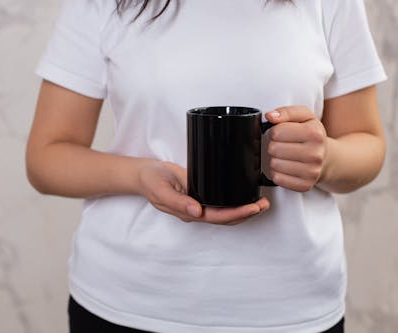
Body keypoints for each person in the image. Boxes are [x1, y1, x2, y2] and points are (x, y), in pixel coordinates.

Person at [26, 0, 387, 332]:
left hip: (291, 307)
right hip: (127, 302)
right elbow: (47, 157)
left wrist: (325, 160)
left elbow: (367, 142)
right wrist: (139, 176)